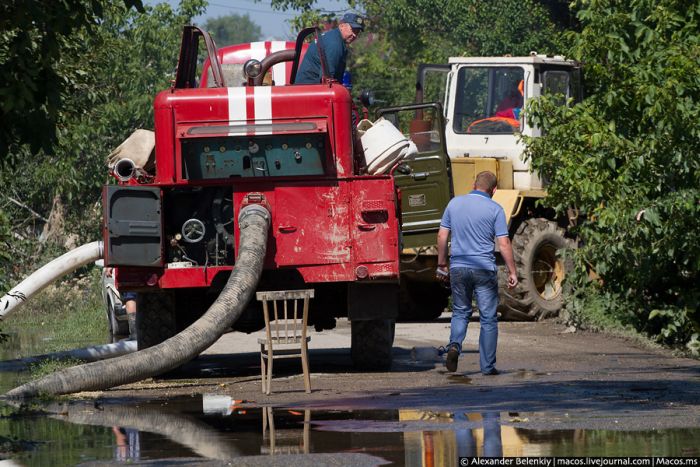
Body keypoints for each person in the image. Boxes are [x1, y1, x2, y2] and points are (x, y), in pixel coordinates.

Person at [436, 171, 518, 375]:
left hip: (458, 268)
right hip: (483, 269)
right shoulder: (496, 209)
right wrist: (512, 271)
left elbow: (442, 235)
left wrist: (441, 264)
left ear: (474, 184)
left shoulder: (454, 204)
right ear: (494, 190)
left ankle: (454, 345)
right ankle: (487, 367)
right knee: (488, 318)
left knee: (461, 311)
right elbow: (504, 243)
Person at [295, 12, 365, 84]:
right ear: (342, 26)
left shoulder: (334, 38)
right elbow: (328, 81)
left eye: (357, 32)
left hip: (308, 88)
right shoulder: (335, 44)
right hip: (310, 90)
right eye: (352, 30)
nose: (354, 35)